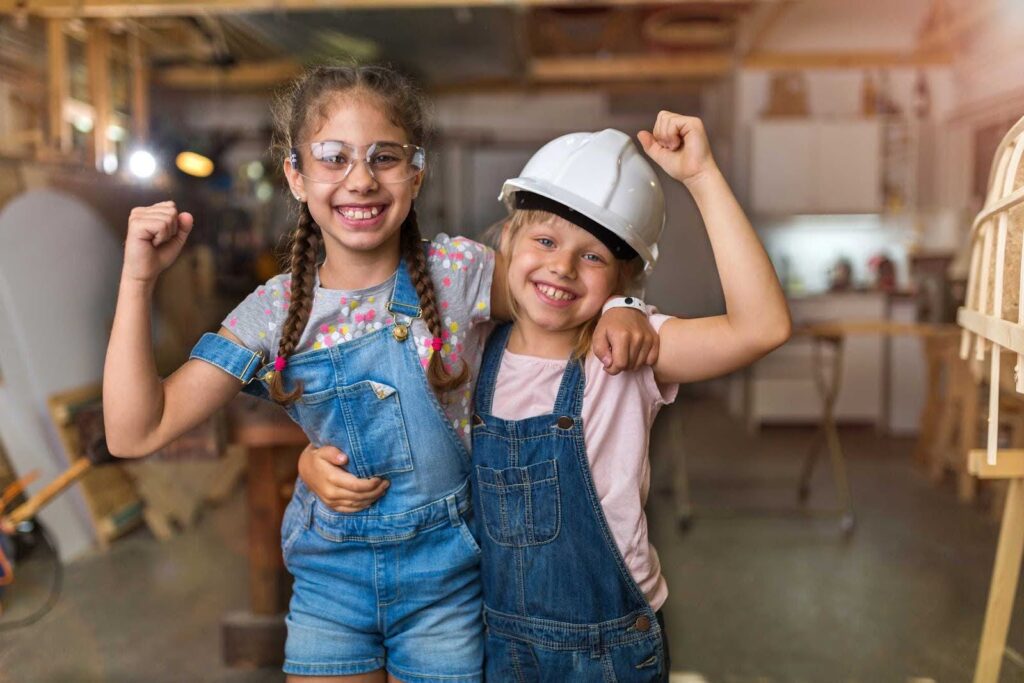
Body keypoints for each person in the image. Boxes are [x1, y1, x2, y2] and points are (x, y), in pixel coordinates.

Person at [102, 63, 656, 683]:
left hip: (449, 585)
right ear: (296, 174)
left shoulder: (457, 274)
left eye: (384, 158)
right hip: (330, 586)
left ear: (416, 172)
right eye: (333, 157)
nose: (360, 180)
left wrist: (622, 305)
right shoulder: (272, 311)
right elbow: (134, 432)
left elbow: (559, 281)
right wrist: (137, 280)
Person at [300, 112, 791, 680]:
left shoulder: (627, 355)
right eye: (545, 239)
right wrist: (312, 463)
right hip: (491, 639)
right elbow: (390, 432)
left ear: (623, 280)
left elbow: (763, 328)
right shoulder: (469, 349)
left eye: (593, 256)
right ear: (508, 240)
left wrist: (701, 176)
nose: (561, 266)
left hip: (608, 652)